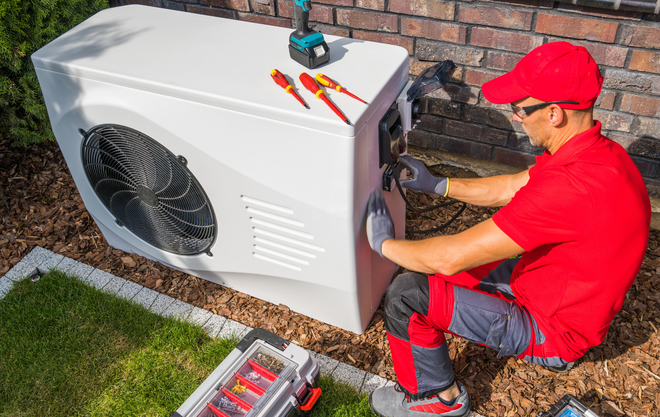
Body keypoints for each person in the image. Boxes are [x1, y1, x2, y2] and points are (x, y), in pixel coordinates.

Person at [365, 41, 651, 417]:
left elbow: (448, 258)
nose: (516, 117)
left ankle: (437, 400)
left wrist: (383, 243)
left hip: (552, 331)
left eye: (519, 108)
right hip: (545, 288)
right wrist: (439, 185)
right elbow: (513, 185)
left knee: (406, 293)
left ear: (554, 114)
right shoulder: (598, 155)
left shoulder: (571, 189)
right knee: (428, 272)